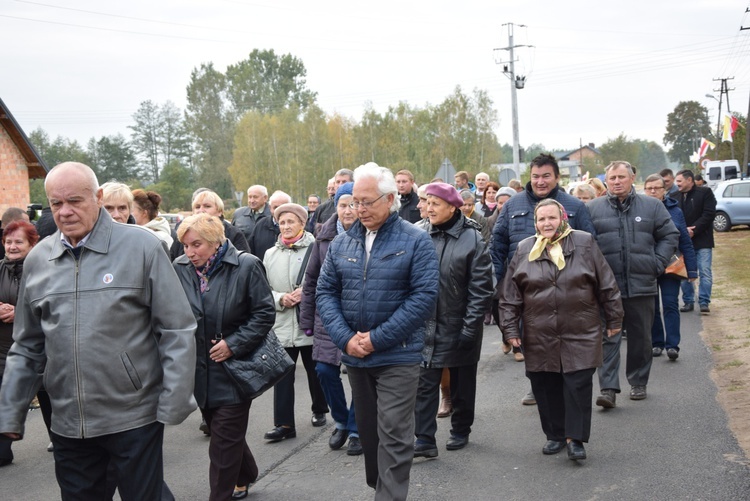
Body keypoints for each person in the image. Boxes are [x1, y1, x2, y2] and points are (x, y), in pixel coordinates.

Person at [0, 162, 197, 500]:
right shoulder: (39, 260)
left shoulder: (142, 248)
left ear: (98, 197)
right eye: (56, 204)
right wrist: (9, 412)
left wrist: (175, 399)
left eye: (74, 201)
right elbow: (28, 345)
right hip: (67, 422)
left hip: (133, 415)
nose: (65, 212)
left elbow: (176, 327)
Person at [316, 162, 439, 500]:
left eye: (367, 201)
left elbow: (424, 297)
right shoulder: (343, 244)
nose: (359, 209)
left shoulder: (416, 240)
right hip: (356, 356)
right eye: (356, 201)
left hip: (398, 355)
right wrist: (346, 338)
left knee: (396, 432)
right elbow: (325, 292)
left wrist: (376, 338)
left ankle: (388, 495)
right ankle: (380, 485)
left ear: (389, 200)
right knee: (370, 434)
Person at [500, 199, 623, 461]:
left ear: (563, 218)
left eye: (552, 218)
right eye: (541, 219)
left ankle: (574, 438)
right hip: (539, 332)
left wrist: (614, 320)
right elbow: (510, 296)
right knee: (545, 385)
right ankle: (555, 434)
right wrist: (510, 329)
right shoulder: (525, 248)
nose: (547, 223)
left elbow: (607, 285)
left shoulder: (584, 242)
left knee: (577, 385)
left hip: (581, 329)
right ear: (536, 223)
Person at [174, 213, 276, 501]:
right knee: (225, 435)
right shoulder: (179, 268)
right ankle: (245, 473)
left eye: (196, 245)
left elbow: (264, 313)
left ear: (216, 241)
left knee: (221, 443)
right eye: (185, 245)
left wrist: (234, 343)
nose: (189, 252)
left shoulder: (245, 266)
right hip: (199, 370)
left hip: (235, 369)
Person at [491, 153, 596, 405]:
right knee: (533, 343)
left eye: (546, 176)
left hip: (568, 291)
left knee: (567, 342)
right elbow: (497, 246)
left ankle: (568, 387)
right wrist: (499, 285)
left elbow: (591, 249)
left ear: (557, 177)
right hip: (527, 292)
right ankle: (537, 385)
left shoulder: (575, 207)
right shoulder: (512, 206)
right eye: (535, 176)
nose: (540, 181)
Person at [587, 161, 679, 406]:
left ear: (631, 179)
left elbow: (670, 235)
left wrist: (656, 263)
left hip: (642, 284)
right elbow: (584, 244)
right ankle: (607, 389)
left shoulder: (652, 206)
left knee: (641, 338)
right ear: (606, 181)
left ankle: (638, 382)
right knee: (608, 337)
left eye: (621, 177)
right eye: (612, 178)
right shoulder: (593, 209)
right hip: (607, 288)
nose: (616, 182)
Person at [413, 182, 493, 458]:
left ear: (452, 206)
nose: (428, 208)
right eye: (426, 202)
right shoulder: (419, 233)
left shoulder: (473, 238)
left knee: (461, 382)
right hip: (425, 323)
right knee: (424, 382)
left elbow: (481, 287)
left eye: (435, 203)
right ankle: (424, 438)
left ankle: (460, 429)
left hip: (459, 322)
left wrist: (470, 327)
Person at [300, 182, 363, 456]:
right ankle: (341, 420)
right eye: (342, 204)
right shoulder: (323, 237)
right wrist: (306, 319)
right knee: (325, 371)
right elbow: (311, 280)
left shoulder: (370, 234)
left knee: (361, 377)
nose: (348, 210)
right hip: (327, 316)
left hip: (360, 316)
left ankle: (356, 427)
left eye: (352, 204)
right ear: (335, 206)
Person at [262, 203, 329, 442]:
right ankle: (284, 425)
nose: (286, 226)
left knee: (316, 372)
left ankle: (320, 408)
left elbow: (327, 282)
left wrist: (305, 294)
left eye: (291, 221)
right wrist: (281, 298)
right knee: (282, 377)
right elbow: (263, 290)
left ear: (302, 223)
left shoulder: (317, 248)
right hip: (281, 325)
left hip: (308, 322)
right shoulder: (270, 254)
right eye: (282, 222)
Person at [643, 174, 697, 361]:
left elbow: (685, 240)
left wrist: (692, 269)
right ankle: (657, 343)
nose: (652, 191)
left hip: (670, 264)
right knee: (652, 306)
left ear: (664, 189)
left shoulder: (675, 210)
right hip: (647, 265)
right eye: (649, 188)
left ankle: (672, 345)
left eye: (656, 188)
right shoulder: (639, 209)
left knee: (670, 303)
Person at [0, 220, 40, 467]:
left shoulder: (42, 270)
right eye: (8, 242)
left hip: (36, 349)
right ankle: (3, 450)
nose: (12, 247)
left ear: (31, 244)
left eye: (18, 242)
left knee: (49, 400)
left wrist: (20, 312)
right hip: (2, 347)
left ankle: (63, 440)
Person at [672, 169, 716, 314]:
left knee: (704, 271)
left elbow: (709, 214)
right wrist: (683, 232)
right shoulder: (673, 196)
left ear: (689, 180)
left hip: (702, 240)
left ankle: (704, 302)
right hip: (682, 242)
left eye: (679, 181)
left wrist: (694, 230)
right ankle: (688, 301)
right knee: (685, 272)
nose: (676, 184)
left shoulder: (705, 193)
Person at [249, 191, 292, 260]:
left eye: (283, 207)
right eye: (275, 207)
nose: (279, 210)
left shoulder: (298, 227)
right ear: (270, 208)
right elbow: (251, 252)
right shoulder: (260, 225)